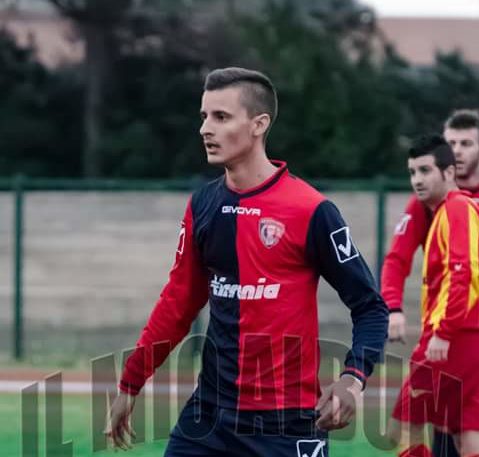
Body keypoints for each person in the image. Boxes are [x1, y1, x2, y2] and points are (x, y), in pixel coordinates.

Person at [106, 67, 389, 457]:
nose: (206, 128)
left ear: (259, 124)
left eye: (221, 117)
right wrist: (130, 382)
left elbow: (371, 307)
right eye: (204, 116)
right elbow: (179, 302)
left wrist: (353, 380)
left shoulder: (312, 210)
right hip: (209, 418)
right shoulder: (203, 205)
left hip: (285, 424)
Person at [382, 110, 479, 457]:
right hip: (462, 331)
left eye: (465, 143)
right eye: (451, 142)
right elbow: (396, 259)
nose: (457, 149)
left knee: (407, 422)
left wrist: (445, 330)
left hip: (457, 332)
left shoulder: (454, 207)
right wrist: (393, 306)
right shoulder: (429, 205)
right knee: (458, 429)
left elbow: (464, 270)